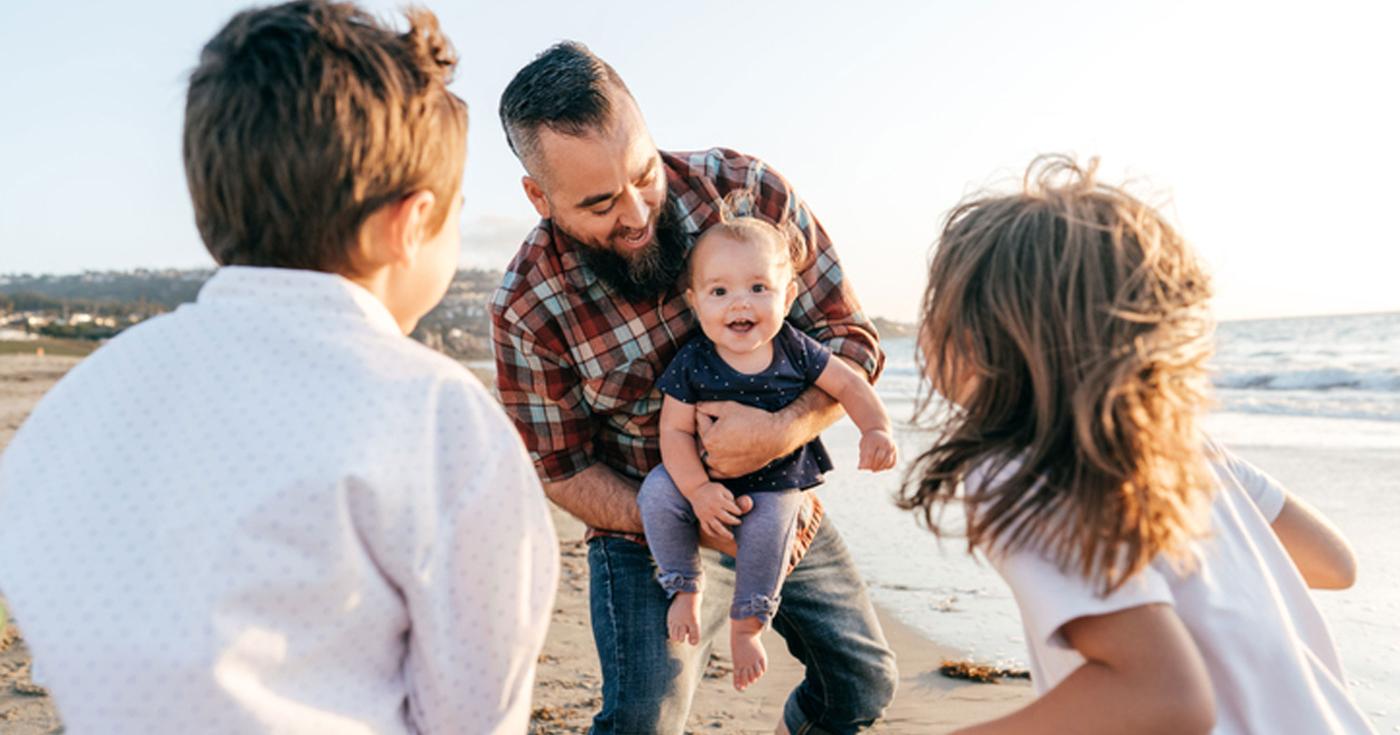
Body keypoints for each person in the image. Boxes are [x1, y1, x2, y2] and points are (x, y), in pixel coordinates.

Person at [0, 3, 558, 733]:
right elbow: (476, 713)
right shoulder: (440, 418)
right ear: (411, 222)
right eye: (454, 213)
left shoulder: (81, 400)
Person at [492, 41, 898, 735]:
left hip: (779, 499)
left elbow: (849, 339)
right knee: (642, 724)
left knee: (863, 685)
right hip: (641, 527)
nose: (636, 212)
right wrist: (686, 518)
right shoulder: (529, 307)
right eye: (598, 203)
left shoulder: (746, 192)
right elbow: (562, 470)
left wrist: (781, 433)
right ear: (539, 195)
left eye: (643, 174)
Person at [901, 155, 1374, 734]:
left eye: (937, 303)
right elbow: (1333, 563)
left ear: (985, 333)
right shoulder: (1186, 455)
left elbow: (1160, 698)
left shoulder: (1020, 463)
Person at [638, 206, 899, 692]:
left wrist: (876, 429)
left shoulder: (795, 349)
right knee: (655, 494)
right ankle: (683, 586)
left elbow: (850, 384)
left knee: (773, 531)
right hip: (703, 475)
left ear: (788, 294)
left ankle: (748, 625)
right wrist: (695, 491)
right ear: (695, 302)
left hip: (776, 481)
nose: (741, 303)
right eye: (720, 291)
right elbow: (672, 433)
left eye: (759, 288)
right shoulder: (693, 359)